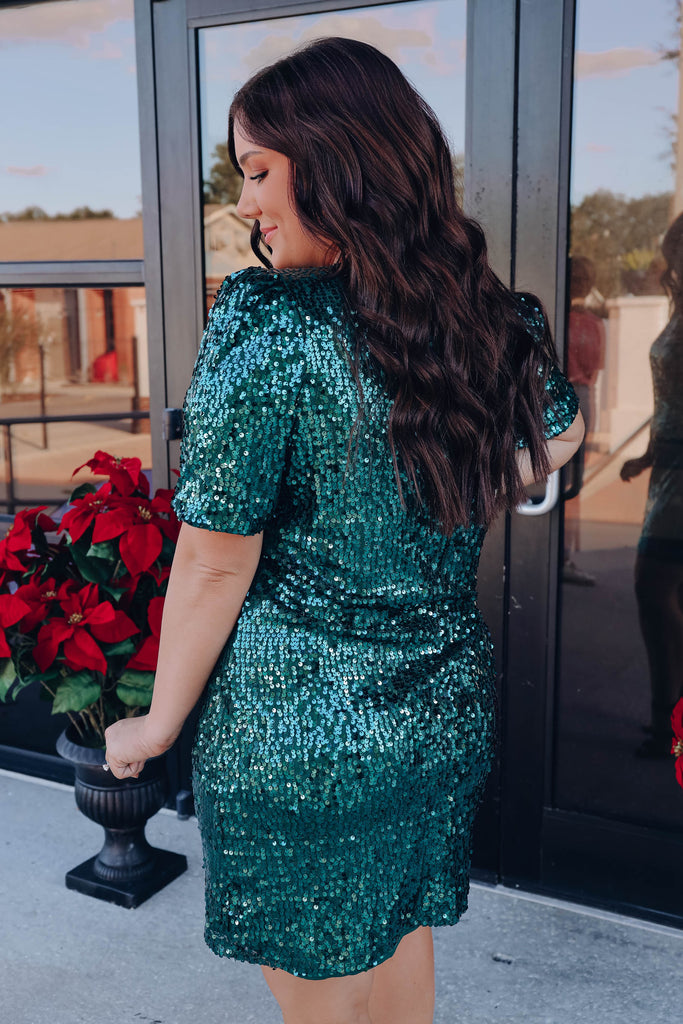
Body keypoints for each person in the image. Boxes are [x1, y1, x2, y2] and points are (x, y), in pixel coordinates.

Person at [104, 37, 583, 1024]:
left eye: (257, 170)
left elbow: (212, 563)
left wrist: (156, 723)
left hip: (300, 734)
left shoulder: (269, 325)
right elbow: (563, 429)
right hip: (434, 717)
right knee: (396, 952)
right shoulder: (492, 318)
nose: (245, 203)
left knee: (327, 999)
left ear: (338, 159)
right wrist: (448, 485)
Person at [620, 213, 683, 758]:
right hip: (667, 472)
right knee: (662, 593)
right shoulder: (678, 306)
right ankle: (668, 720)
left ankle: (670, 723)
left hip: (681, 477)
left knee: (653, 588)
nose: (672, 260)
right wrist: (646, 457)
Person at [563, 256, 606, 585]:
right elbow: (594, 371)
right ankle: (564, 555)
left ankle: (559, 554)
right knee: (573, 483)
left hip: (555, 395)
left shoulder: (555, 317)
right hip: (583, 396)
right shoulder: (594, 324)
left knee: (553, 477)